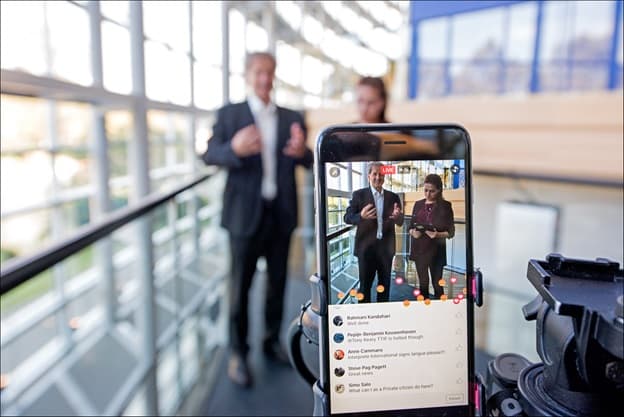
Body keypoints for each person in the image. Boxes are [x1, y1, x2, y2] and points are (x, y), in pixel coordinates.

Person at [202, 52, 313, 387]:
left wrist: (302, 152)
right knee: (240, 288)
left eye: (270, 72)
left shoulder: (293, 117)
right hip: (243, 218)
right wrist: (234, 148)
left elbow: (308, 159)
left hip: (280, 215)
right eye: (259, 72)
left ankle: (270, 343)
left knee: (277, 285)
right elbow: (209, 154)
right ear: (248, 74)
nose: (265, 78)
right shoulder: (229, 114)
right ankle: (238, 353)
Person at [344, 162, 403, 303]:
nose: (378, 177)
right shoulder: (359, 195)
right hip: (366, 251)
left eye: (381, 174)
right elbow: (347, 217)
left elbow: (400, 221)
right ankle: (365, 318)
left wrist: (398, 217)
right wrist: (361, 217)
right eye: (375, 174)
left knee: (385, 287)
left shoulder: (393, 197)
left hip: (386, 251)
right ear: (368, 176)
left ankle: (382, 317)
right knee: (364, 288)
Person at [408, 174, 455, 300]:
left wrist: (437, 235)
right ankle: (424, 313)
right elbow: (410, 227)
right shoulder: (417, 204)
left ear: (439, 190)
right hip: (420, 251)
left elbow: (451, 232)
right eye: (426, 190)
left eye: (432, 191)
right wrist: (413, 232)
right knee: (423, 284)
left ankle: (440, 311)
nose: (428, 194)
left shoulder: (446, 206)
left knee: (437, 284)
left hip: (436, 252)